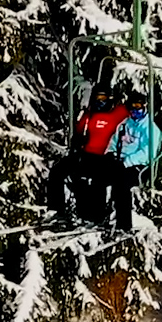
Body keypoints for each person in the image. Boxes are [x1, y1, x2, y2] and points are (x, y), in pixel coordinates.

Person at [48, 84, 129, 222]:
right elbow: (79, 133)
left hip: (103, 157)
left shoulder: (116, 114)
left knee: (98, 181)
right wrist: (78, 140)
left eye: (103, 98)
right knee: (58, 171)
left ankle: (96, 216)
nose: (99, 101)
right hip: (84, 155)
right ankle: (56, 210)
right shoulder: (88, 115)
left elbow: (136, 111)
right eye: (97, 97)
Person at [105, 91, 162, 232]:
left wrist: (127, 161)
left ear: (144, 107)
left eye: (138, 107)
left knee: (121, 183)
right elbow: (114, 141)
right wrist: (110, 153)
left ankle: (124, 224)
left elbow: (147, 153)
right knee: (99, 174)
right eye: (132, 108)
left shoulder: (150, 128)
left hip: (138, 166)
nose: (135, 111)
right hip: (120, 160)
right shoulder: (126, 124)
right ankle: (97, 214)